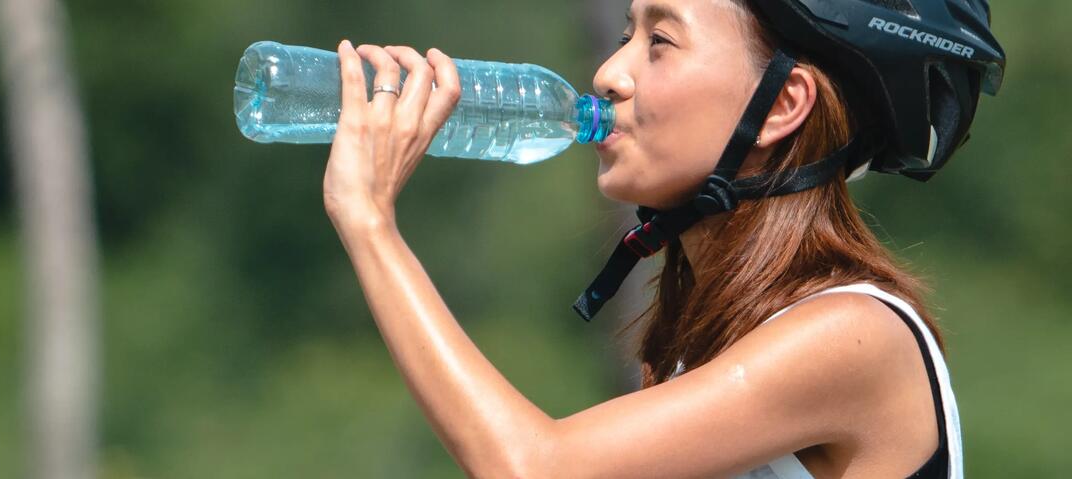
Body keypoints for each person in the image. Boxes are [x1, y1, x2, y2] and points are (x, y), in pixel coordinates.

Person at [321, 0, 1003, 476]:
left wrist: (370, 220)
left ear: (784, 104)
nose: (610, 73)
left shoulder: (856, 336)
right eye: (625, 33)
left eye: (660, 42)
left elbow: (531, 465)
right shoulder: (704, 348)